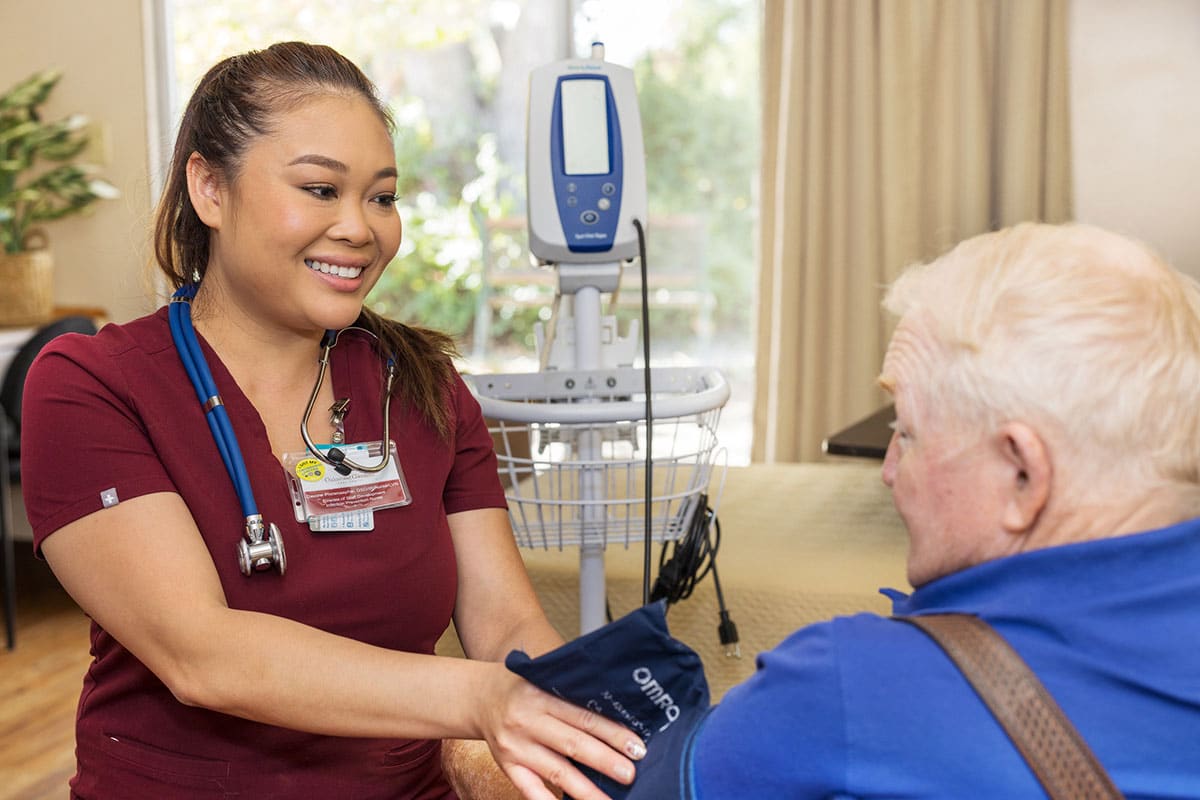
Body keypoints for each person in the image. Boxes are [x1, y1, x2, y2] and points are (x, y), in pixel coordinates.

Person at [22, 41, 644, 800]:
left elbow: (507, 628)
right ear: (210, 188)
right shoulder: (92, 388)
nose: (360, 228)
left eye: (382, 197)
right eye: (321, 189)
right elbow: (203, 655)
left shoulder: (422, 388)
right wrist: (480, 699)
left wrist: (577, 720)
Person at [566, 222, 1200, 797]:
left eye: (908, 432)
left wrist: (463, 744)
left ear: (1023, 474)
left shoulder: (855, 690)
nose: (889, 471)